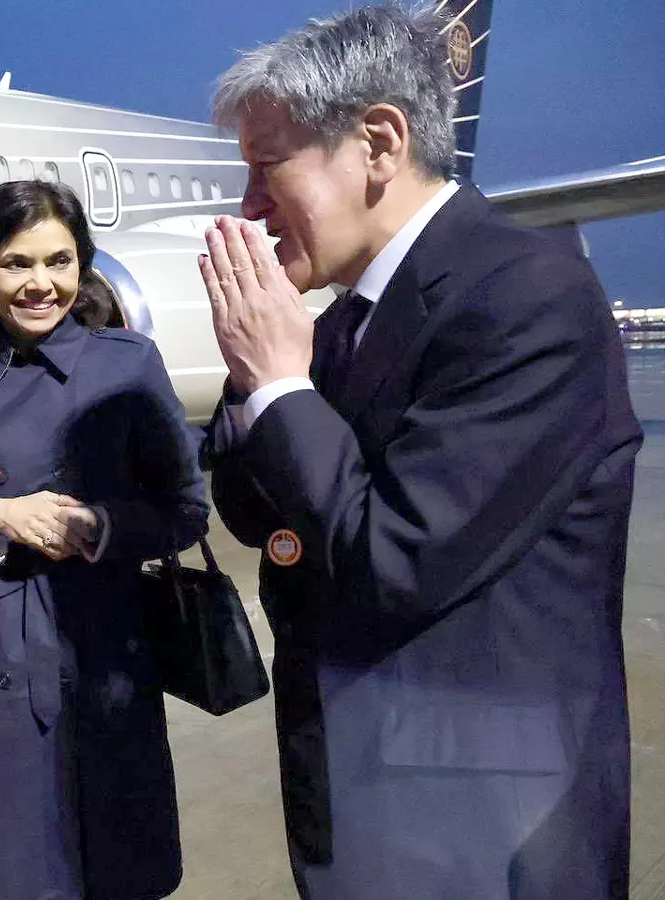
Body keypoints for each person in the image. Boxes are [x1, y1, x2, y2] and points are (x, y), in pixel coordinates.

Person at [199, 6, 640, 898]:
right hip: (355, 788)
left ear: (379, 143)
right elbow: (250, 511)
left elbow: (397, 555)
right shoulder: (347, 320)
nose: (248, 206)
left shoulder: (526, 296)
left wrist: (280, 383)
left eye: (266, 167)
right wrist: (256, 381)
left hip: (487, 824)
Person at [0, 180, 209, 900]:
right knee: (6, 865)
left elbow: (187, 510)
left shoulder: (128, 364)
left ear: (83, 265)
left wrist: (101, 526)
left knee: (113, 860)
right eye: (16, 263)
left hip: (106, 647)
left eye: (59, 261)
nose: (40, 284)